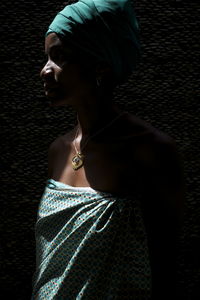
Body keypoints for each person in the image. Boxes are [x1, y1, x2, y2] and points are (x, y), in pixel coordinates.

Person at [31, 0, 186, 299]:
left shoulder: (150, 152)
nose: (45, 71)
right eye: (46, 58)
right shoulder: (58, 150)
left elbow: (166, 265)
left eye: (59, 57)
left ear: (100, 64)